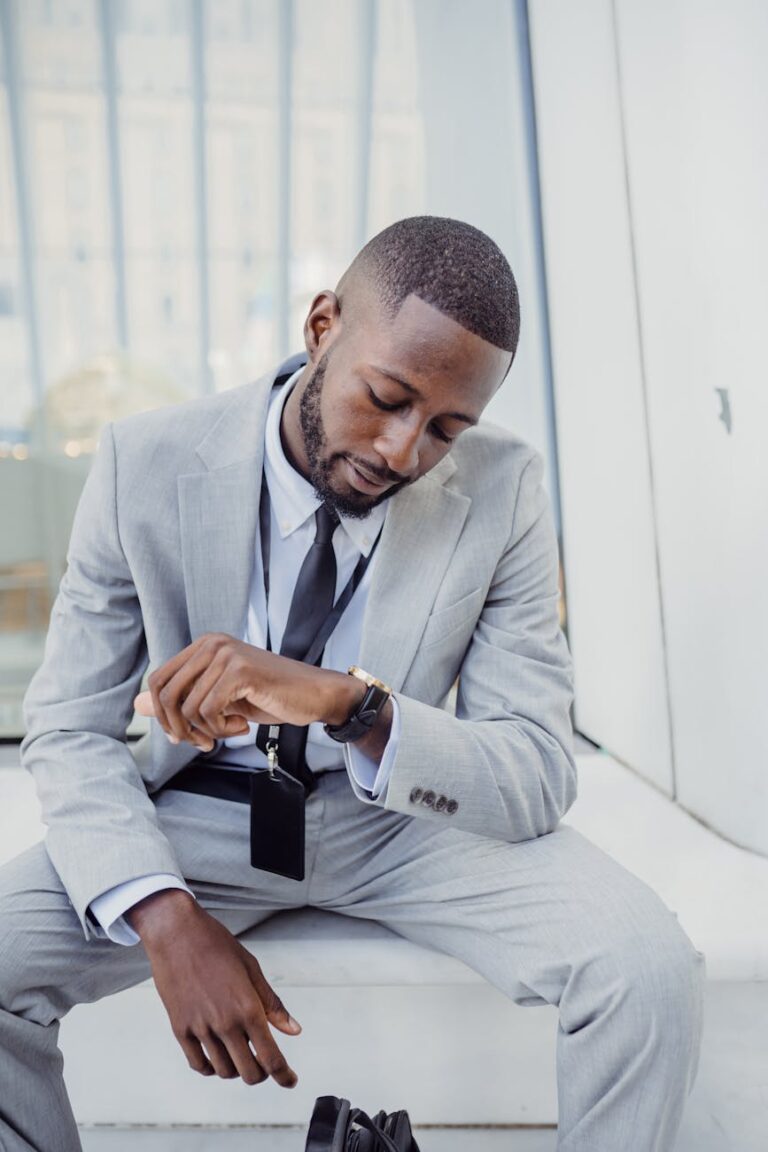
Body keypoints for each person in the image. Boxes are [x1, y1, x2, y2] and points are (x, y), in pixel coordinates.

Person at [0, 216, 703, 1152]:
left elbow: (536, 768)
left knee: (647, 970)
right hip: (201, 815)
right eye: (387, 397)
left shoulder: (506, 490)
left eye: (448, 428)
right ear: (322, 325)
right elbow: (67, 728)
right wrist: (162, 915)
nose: (405, 452)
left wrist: (348, 704)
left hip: (404, 823)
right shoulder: (144, 461)